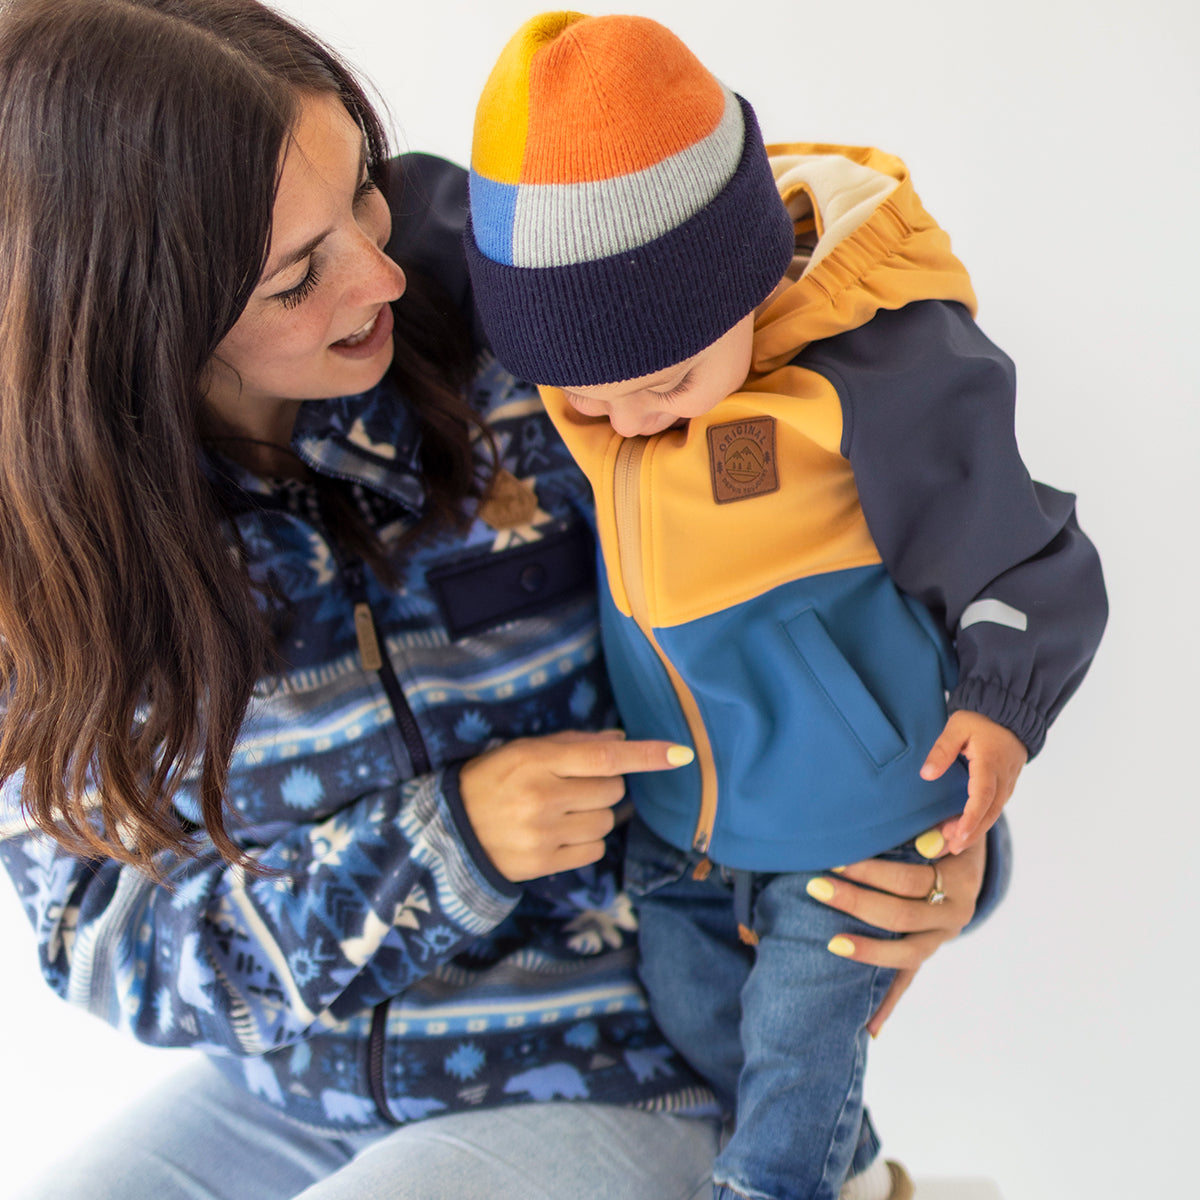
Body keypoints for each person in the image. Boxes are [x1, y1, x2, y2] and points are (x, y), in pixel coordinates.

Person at [0, 3, 1009, 1199]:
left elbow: (824, 596)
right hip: (290, 1096)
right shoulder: (51, 552)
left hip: (624, 1059)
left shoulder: (547, 353)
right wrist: (443, 848)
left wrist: (941, 854)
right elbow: (100, 943)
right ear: (136, 323)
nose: (381, 270)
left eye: (361, 192)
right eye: (294, 279)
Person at [464, 13, 1108, 1200]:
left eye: (667, 385)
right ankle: (859, 1180)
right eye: (591, 405)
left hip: (860, 811)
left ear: (750, 281)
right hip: (683, 815)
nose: (639, 422)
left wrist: (1004, 709)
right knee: (700, 1014)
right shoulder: (594, 374)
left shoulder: (872, 373)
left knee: (800, 1048)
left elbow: (1023, 550)